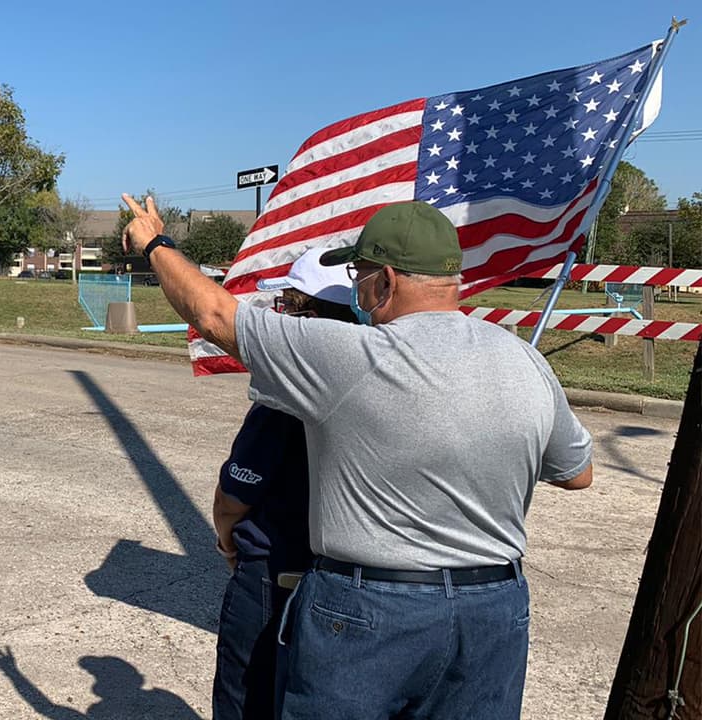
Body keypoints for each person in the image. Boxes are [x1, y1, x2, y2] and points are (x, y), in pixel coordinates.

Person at [119, 194, 593, 720]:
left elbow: (212, 313)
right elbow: (577, 473)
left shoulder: (351, 356)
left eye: (359, 275)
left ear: (384, 281)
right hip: (493, 608)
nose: (356, 289)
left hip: (372, 609)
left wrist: (155, 243)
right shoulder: (525, 360)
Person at [212, 247, 356, 720]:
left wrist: (226, 542)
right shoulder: (383, 379)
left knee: (248, 697)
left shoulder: (286, 396)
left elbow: (234, 497)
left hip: (276, 572)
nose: (281, 316)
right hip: (352, 579)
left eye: (288, 306)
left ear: (308, 316)